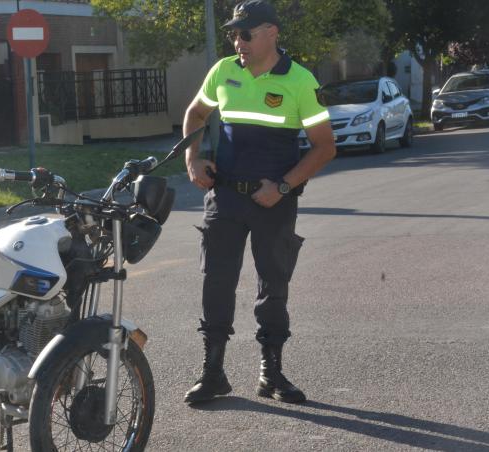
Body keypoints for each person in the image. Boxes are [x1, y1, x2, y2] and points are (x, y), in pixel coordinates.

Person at [182, 0, 336, 405]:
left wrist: (283, 188)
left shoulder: (299, 80)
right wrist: (192, 158)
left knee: (273, 286)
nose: (238, 41)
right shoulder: (223, 71)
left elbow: (324, 148)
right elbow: (196, 113)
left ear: (271, 32)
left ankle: (272, 373)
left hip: (274, 201)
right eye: (234, 33)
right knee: (216, 283)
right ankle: (212, 373)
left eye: (245, 33)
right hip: (225, 197)